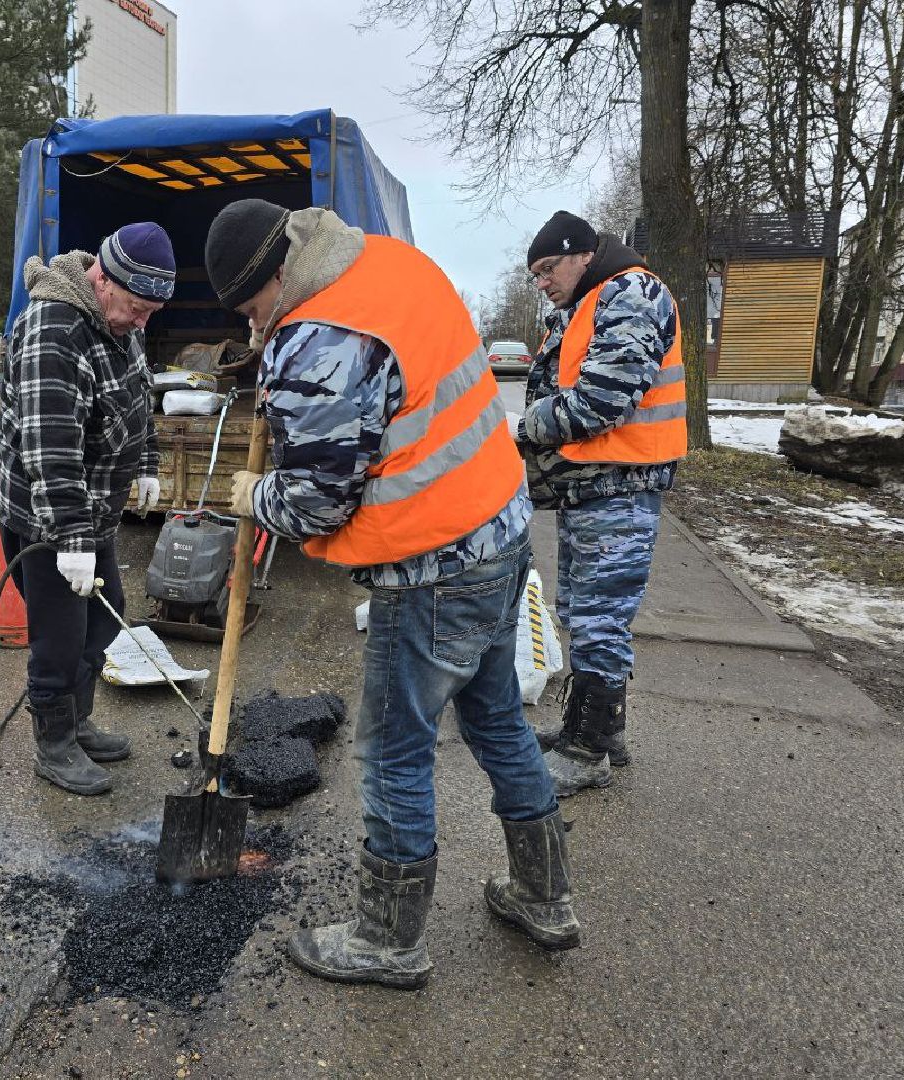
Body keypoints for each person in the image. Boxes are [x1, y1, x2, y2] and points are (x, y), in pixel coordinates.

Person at [205, 198, 580, 991]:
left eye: (251, 310)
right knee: (498, 721)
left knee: (394, 751)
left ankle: (388, 940)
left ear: (277, 275)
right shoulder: (386, 261)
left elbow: (316, 501)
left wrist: (252, 494)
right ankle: (545, 897)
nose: (253, 329)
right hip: (500, 531)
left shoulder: (318, 339)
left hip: (433, 568)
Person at [0, 222, 175, 796]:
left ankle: (78, 721)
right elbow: (50, 449)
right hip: (46, 516)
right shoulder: (53, 330)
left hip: (91, 511)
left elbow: (140, 395)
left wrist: (146, 462)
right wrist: (71, 539)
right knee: (60, 633)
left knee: (105, 613)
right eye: (138, 308)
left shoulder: (122, 325)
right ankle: (53, 744)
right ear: (101, 280)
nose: (144, 322)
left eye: (152, 312)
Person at [518, 211, 687, 796]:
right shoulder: (587, 305)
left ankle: (588, 751)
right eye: (535, 274)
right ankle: (592, 732)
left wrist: (520, 428)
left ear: (582, 253)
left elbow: (601, 399)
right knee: (585, 611)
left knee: (599, 617)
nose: (540, 281)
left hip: (622, 485)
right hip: (595, 485)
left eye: (547, 268)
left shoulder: (633, 294)